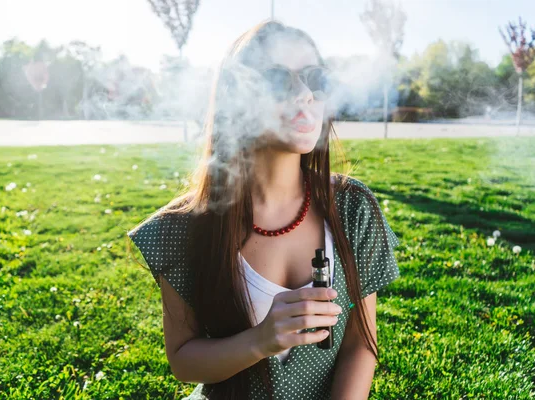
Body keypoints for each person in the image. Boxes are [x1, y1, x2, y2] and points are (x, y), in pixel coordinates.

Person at [127, 19, 400, 400]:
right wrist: (261, 340)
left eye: (315, 77)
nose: (304, 94)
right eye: (277, 80)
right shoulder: (181, 228)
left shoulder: (353, 207)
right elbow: (183, 360)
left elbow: (361, 345)